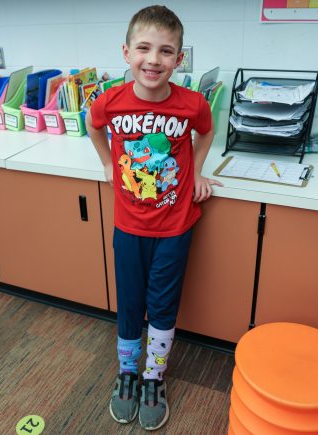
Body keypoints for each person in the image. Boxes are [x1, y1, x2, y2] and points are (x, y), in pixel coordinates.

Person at [86, 5, 223, 430]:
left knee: (162, 305)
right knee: (129, 304)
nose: (154, 59)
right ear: (126, 52)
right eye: (144, 48)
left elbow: (207, 131)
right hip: (128, 227)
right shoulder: (109, 101)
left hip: (175, 227)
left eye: (166, 51)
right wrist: (108, 165)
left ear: (179, 60)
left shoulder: (192, 104)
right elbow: (93, 126)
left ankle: (153, 377)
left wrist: (197, 170)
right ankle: (127, 373)